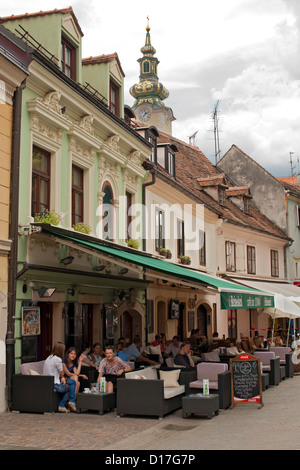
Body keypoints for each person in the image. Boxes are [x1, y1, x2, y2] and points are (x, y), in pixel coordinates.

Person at [43, 341, 77, 413]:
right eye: (63, 350)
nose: (64, 351)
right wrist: (63, 375)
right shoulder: (57, 359)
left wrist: (63, 377)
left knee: (72, 382)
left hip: (48, 382)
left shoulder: (49, 357)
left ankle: (70, 402)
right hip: (55, 384)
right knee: (71, 387)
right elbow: (62, 372)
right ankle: (65, 404)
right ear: (60, 350)